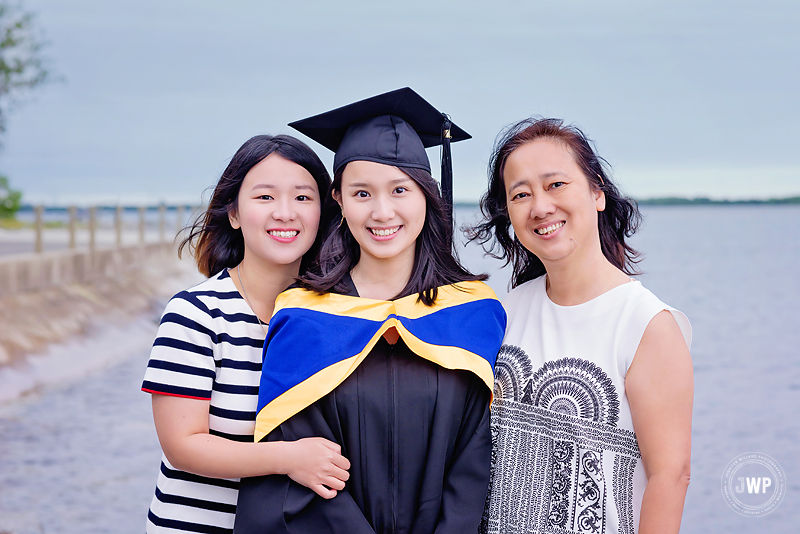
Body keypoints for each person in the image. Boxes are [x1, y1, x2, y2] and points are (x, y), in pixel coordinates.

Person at [233, 88, 507, 534]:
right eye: (362, 193)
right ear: (338, 200)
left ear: (427, 196)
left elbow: (476, 458)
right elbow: (299, 468)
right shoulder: (304, 316)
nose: (382, 212)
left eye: (400, 189)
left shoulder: (474, 311)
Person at [470, 118, 693, 534]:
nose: (540, 207)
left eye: (555, 185)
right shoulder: (507, 310)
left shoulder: (647, 324)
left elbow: (671, 475)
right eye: (521, 194)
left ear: (597, 194)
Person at [141, 134, 350, 534]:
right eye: (265, 197)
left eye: (303, 198)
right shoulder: (196, 313)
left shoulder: (336, 314)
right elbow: (183, 445)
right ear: (234, 213)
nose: (285, 213)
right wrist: (287, 458)